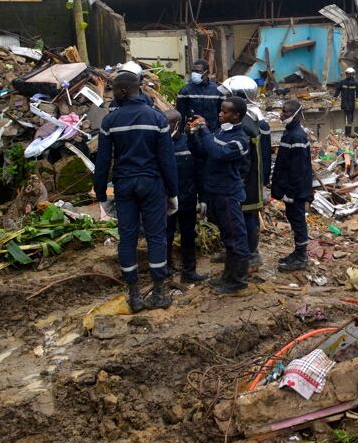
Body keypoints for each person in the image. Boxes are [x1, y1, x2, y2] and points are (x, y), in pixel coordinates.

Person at [94, 70, 179, 312]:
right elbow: (167, 160)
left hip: (125, 185)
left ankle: (134, 295)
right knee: (156, 237)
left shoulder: (110, 121)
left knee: (128, 237)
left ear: (122, 91)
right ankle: (159, 292)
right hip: (152, 185)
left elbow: (103, 161)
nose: (111, 95)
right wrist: (172, 192)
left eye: (113, 90)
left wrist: (101, 193)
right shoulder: (157, 118)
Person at [189, 96, 251, 294]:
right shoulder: (220, 132)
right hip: (215, 191)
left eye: (225, 112)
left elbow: (218, 153)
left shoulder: (240, 139)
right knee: (228, 236)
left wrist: (205, 130)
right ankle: (228, 276)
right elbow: (202, 152)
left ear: (236, 115)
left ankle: (238, 281)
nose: (220, 114)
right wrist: (191, 135)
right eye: (221, 110)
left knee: (236, 237)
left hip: (228, 193)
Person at [222, 75, 273, 269]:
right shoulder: (247, 119)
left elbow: (264, 155)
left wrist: (263, 179)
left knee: (249, 215)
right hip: (247, 177)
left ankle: (252, 252)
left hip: (250, 178)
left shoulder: (255, 122)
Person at [269, 98, 314, 272]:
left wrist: (290, 192)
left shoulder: (297, 136)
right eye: (282, 110)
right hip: (292, 189)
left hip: (296, 190)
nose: (282, 114)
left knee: (298, 221)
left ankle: (301, 257)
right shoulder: (289, 133)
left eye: (286, 111)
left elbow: (298, 169)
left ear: (296, 114)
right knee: (294, 220)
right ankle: (297, 252)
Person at [165, 110, 208, 284]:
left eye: (168, 124)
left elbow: (200, 171)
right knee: (166, 234)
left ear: (176, 124)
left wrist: (203, 197)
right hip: (167, 198)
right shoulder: (159, 143)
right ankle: (165, 270)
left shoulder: (188, 143)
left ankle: (189, 271)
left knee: (188, 234)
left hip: (188, 197)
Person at [177, 59, 225, 132]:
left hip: (212, 131)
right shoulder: (185, 90)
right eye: (193, 71)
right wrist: (181, 133)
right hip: (192, 131)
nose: (194, 74)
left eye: (198, 71)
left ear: (207, 73)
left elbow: (222, 114)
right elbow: (180, 115)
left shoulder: (217, 90)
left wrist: (219, 130)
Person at [335, 67, 358, 136]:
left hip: (352, 103)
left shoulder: (356, 83)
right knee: (348, 117)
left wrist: (357, 100)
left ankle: (348, 132)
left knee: (350, 117)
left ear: (353, 74)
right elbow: (337, 90)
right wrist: (334, 98)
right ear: (346, 74)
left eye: (350, 74)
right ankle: (347, 133)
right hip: (345, 103)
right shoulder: (342, 82)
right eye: (348, 74)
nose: (349, 75)